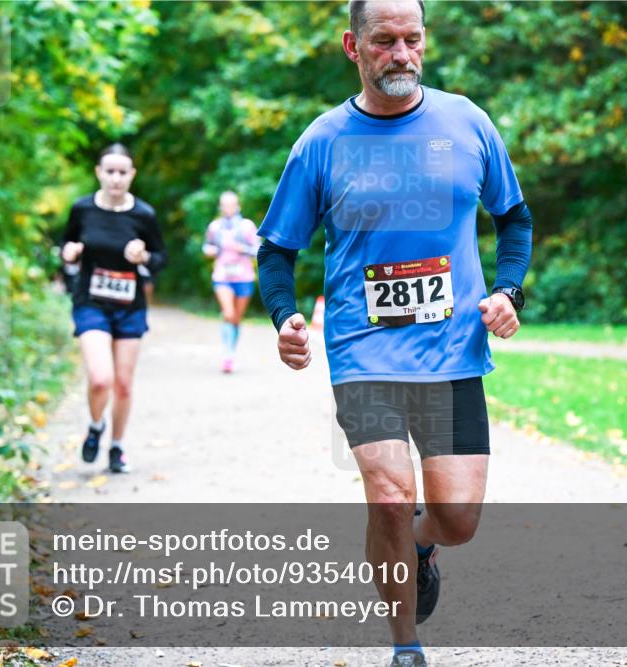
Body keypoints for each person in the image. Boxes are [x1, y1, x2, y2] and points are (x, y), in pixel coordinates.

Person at [256, 1, 533, 665]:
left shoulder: (467, 123)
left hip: (453, 351)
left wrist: (506, 291)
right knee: (387, 495)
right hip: (363, 350)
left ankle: (425, 541)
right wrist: (284, 316)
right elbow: (276, 251)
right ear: (354, 46)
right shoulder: (322, 141)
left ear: (425, 40)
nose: (401, 54)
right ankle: (405, 644)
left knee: (459, 519)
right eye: (385, 41)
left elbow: (514, 220)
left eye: (412, 39)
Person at [60, 143, 167, 473]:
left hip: (129, 307)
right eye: (110, 172)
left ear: (132, 175)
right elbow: (65, 244)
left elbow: (162, 258)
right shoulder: (82, 209)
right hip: (91, 303)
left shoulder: (143, 215)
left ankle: (117, 448)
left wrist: (145, 257)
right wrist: (69, 254)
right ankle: (95, 426)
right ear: (99, 173)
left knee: (123, 383)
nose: (116, 179)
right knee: (100, 379)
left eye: (123, 172)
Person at [202, 191, 261, 373]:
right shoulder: (214, 227)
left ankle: (231, 351)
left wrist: (241, 248)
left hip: (243, 276)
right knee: (228, 313)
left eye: (231, 204)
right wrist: (210, 250)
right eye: (224, 205)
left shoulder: (247, 226)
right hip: (222, 276)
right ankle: (227, 355)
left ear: (238, 206)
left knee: (236, 318)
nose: (228, 208)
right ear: (220, 207)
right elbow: (207, 245)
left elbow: (258, 250)